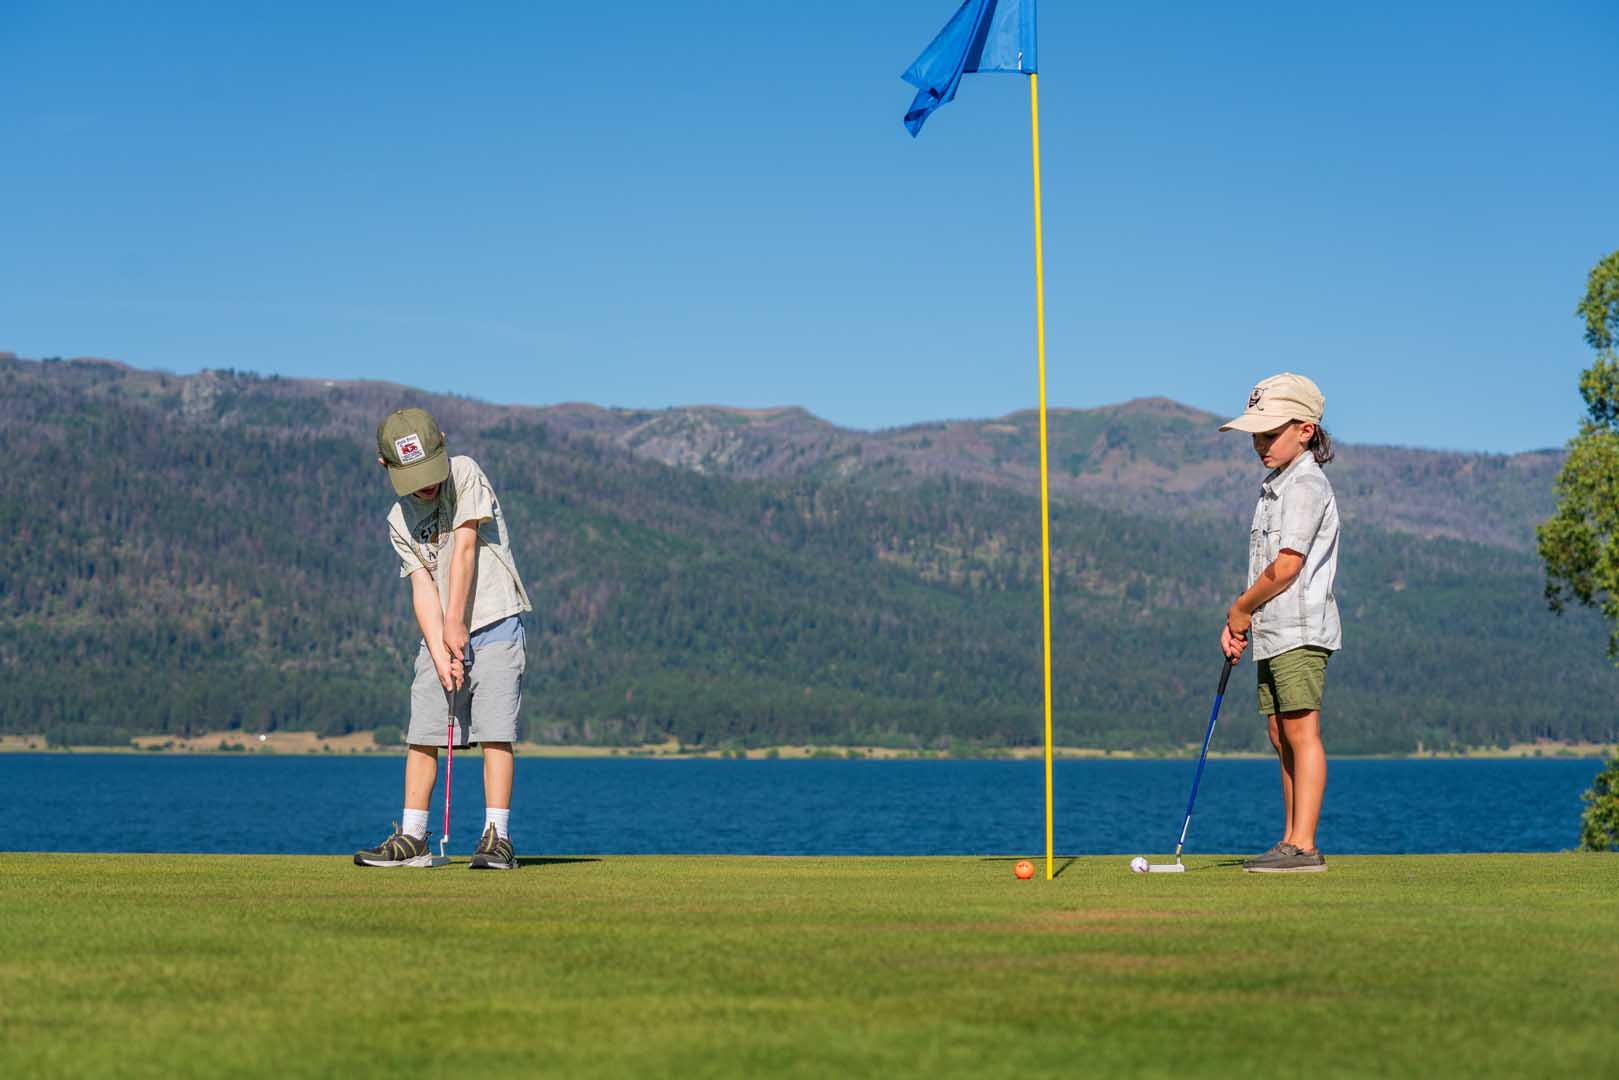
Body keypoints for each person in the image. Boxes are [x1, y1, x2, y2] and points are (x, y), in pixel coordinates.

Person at [354, 407, 532, 870]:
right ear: (386, 468)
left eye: (429, 469)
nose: (426, 484)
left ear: (444, 445)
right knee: (424, 732)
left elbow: (465, 548)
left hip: (495, 622)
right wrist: (438, 649)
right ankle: (413, 837)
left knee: (495, 732)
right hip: (439, 635)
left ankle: (497, 836)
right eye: (412, 476)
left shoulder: (466, 472)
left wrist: (457, 622)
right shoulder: (399, 518)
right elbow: (421, 586)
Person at [1217, 373, 1340, 873]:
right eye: (1256, 435)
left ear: (1305, 430)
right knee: (1279, 731)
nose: (1259, 444)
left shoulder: (1306, 484)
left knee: (1301, 730)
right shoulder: (1275, 488)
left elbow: (1287, 565)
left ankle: (1304, 846)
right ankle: (1290, 838)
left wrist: (1240, 608)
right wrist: (1244, 618)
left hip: (1301, 628)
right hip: (1274, 631)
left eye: (1270, 434)